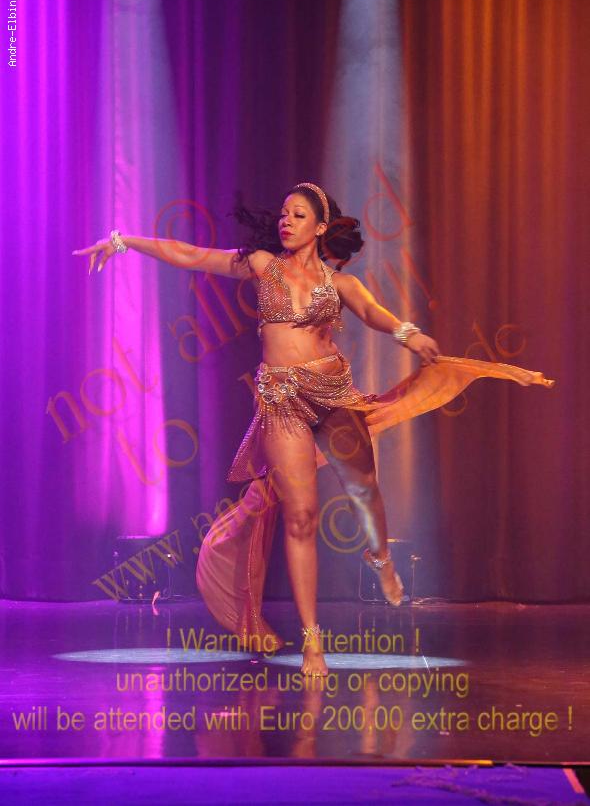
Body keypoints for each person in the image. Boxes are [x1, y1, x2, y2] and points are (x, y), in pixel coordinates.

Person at [73, 181, 554, 677]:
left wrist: (408, 334)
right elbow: (190, 254)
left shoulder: (340, 284)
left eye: (298, 215)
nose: (286, 221)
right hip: (281, 401)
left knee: (364, 490)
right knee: (301, 517)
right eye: (283, 213)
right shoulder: (262, 265)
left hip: (334, 396)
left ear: (321, 227)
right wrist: (123, 241)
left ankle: (381, 557)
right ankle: (312, 641)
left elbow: (373, 312)